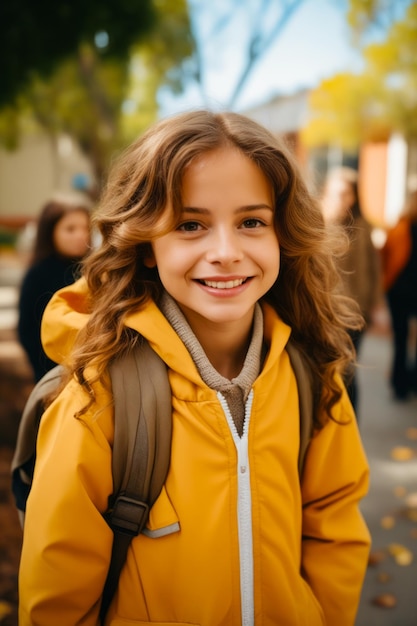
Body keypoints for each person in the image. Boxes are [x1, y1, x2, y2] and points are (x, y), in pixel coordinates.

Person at [18, 111, 370, 626]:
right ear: (145, 247)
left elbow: (335, 529)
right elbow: (57, 596)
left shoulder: (312, 375)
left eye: (252, 221)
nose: (225, 253)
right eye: (190, 225)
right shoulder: (99, 398)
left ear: (283, 235)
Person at [320, 166, 381, 414]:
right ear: (326, 193)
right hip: (325, 311)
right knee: (326, 370)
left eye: (345, 193)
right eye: (335, 193)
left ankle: (350, 426)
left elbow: (375, 268)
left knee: (349, 371)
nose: (340, 199)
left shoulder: (363, 227)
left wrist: (375, 304)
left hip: (356, 311)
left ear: (353, 196)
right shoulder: (317, 224)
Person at [17, 194, 91, 382]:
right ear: (50, 231)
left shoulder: (93, 270)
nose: (80, 235)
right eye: (70, 229)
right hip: (54, 374)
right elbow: (27, 332)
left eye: (85, 228)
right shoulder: (37, 275)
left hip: (90, 370)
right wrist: (51, 373)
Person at [381, 189, 417, 400]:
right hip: (400, 292)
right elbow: (385, 256)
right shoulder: (400, 227)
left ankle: (410, 379)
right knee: (401, 339)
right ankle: (400, 382)